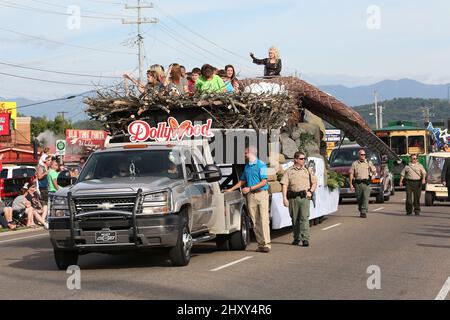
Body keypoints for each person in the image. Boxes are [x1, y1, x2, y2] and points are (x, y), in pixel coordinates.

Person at [225, 146, 271, 253]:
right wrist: (230, 189)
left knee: (264, 220)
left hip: (261, 194)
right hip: (251, 196)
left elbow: (264, 181)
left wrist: (250, 188)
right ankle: (261, 244)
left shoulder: (262, 165)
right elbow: (242, 181)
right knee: (255, 221)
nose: (244, 155)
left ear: (251, 153)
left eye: (245, 153)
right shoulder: (247, 167)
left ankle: (267, 244)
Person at [281, 151, 317, 247]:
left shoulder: (307, 170)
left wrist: (311, 192)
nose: (303, 160)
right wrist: (284, 198)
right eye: (301, 159)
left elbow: (314, 182)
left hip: (304, 198)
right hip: (293, 198)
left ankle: (305, 238)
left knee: (304, 218)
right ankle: (297, 238)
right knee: (295, 219)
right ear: (295, 159)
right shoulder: (289, 171)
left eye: (304, 158)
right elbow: (284, 185)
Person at [349, 149, 377, 218]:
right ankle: (361, 208)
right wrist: (351, 184)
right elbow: (351, 174)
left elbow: (374, 171)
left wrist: (373, 176)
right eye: (361, 154)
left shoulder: (368, 162)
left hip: (366, 183)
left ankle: (363, 211)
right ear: (359, 155)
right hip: (358, 183)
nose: (363, 156)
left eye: (364, 154)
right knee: (359, 198)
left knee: (365, 197)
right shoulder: (355, 163)